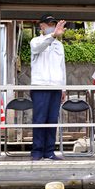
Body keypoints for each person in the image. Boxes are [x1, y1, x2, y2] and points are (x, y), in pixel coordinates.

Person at [30, 14, 66, 160]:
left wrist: (63, 88)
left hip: (56, 87)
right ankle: (37, 151)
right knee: (39, 119)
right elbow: (38, 48)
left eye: (54, 24)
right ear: (42, 26)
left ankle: (49, 151)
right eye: (49, 24)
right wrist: (53, 35)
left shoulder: (59, 45)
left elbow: (62, 67)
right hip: (40, 86)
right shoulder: (36, 41)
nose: (52, 27)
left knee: (52, 120)